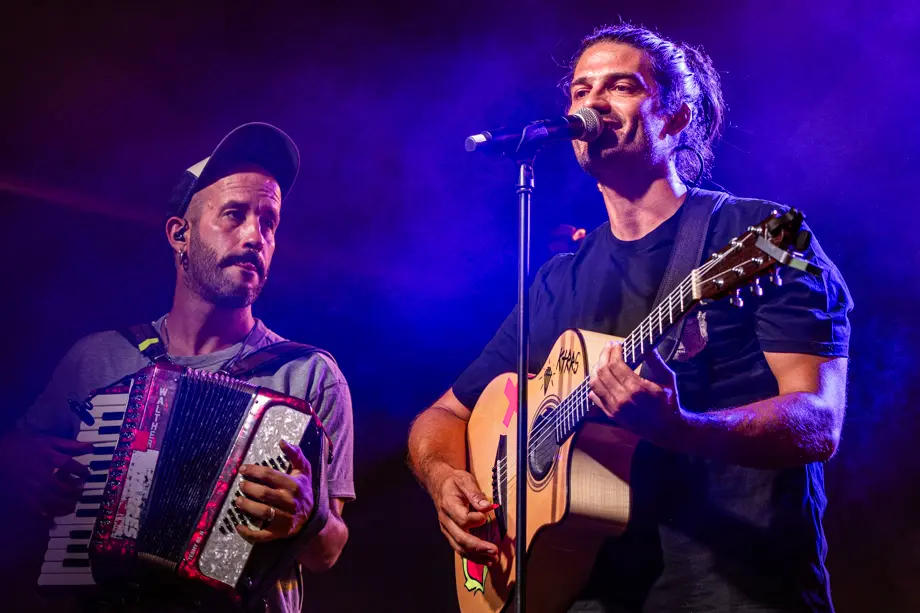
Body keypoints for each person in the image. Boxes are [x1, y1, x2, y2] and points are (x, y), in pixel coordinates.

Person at [408, 23, 852, 613]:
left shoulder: (754, 237)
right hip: (584, 590)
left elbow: (818, 421)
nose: (592, 103)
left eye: (621, 86)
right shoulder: (559, 280)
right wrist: (445, 480)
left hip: (735, 589)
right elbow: (442, 415)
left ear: (676, 117)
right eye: (580, 90)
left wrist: (680, 426)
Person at [2, 123, 354, 612]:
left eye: (269, 222)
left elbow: (328, 552)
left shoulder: (308, 375)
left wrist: (309, 517)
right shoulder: (98, 358)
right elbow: (18, 465)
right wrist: (20, 463)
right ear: (179, 234)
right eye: (234, 215)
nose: (256, 235)